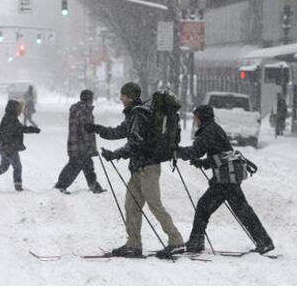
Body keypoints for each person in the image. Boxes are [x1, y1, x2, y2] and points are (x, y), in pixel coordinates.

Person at [85, 82, 184, 259]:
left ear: (129, 97)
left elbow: (136, 143)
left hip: (148, 167)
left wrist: (116, 154)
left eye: (122, 95)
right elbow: (118, 132)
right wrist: (96, 129)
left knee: (154, 204)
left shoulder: (138, 114)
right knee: (131, 205)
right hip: (139, 167)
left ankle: (176, 241)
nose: (120, 98)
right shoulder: (134, 114)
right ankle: (133, 244)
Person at [177, 105, 274, 255]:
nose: (195, 120)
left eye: (196, 117)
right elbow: (221, 153)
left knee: (205, 206)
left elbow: (196, 151)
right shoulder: (213, 128)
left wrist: (177, 151)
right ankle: (264, 241)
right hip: (229, 176)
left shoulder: (208, 132)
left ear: (201, 118)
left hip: (225, 179)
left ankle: (196, 242)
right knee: (241, 210)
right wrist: (203, 163)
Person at [0, 100, 41, 192]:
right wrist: (33, 130)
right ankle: (18, 186)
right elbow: (20, 129)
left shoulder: (8, 117)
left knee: (3, 167)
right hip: (9, 148)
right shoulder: (11, 119)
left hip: (4, 147)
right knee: (17, 166)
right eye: (20, 109)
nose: (21, 111)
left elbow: (5, 131)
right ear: (15, 109)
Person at [54, 90, 105, 195]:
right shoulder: (84, 110)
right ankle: (60, 186)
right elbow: (85, 130)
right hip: (81, 145)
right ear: (89, 98)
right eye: (92, 98)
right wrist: (91, 146)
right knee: (74, 166)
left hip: (75, 143)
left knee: (87, 165)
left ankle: (94, 186)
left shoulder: (77, 108)